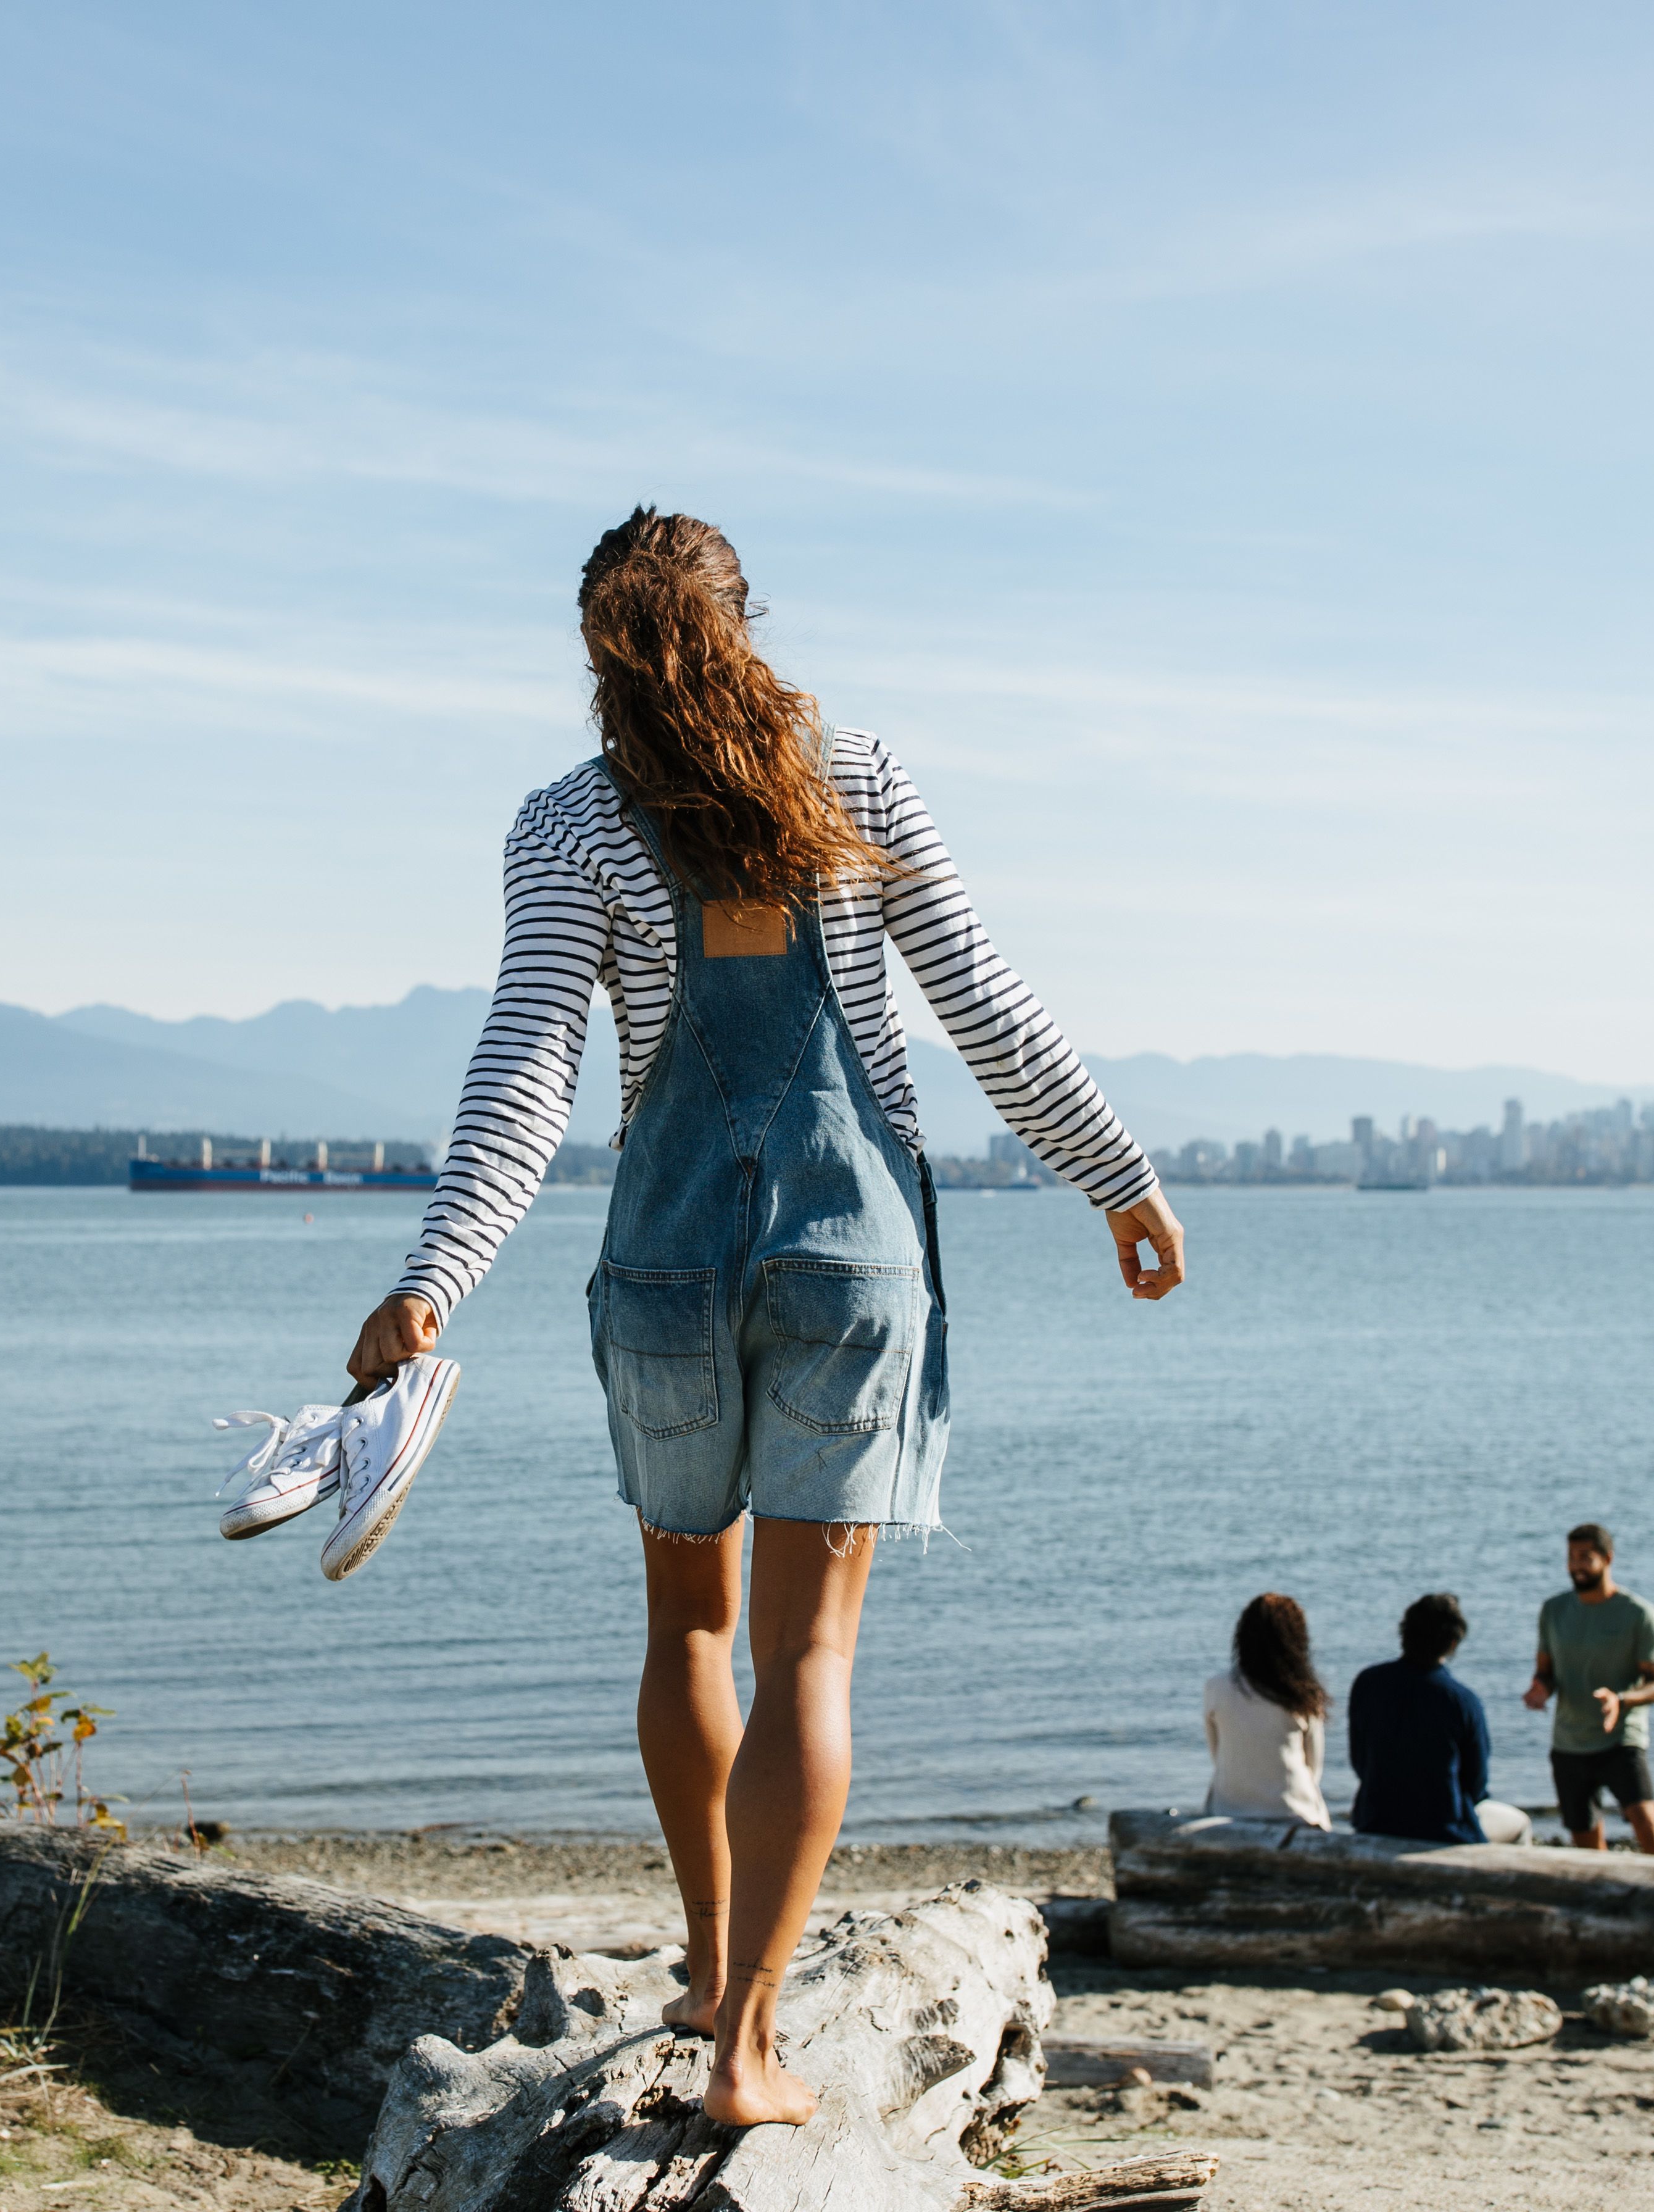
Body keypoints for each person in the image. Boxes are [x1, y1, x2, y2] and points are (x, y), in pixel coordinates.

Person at [339, 509, 1186, 2129]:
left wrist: (431, 1279)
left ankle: (716, 1966)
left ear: (596, 656)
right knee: (809, 1650)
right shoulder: (853, 772)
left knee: (693, 1631)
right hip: (848, 1262)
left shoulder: (566, 822)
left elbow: (526, 1070)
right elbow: (982, 1002)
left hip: (663, 1264)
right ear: (747, 619)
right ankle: (745, 2054)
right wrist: (1116, 1182)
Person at [1524, 1522, 1654, 1854]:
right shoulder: (1554, 1611)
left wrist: (1621, 1699)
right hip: (1569, 1744)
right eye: (1571, 1557)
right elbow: (1546, 1672)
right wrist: (1540, 1690)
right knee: (1586, 1844)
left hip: (1621, 1740)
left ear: (1607, 1559)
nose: (1576, 1566)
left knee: (1648, 1827)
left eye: (1585, 1557)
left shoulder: (1640, 1615)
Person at [1347, 1593, 1532, 1845]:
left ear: (1404, 1633)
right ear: (1453, 1643)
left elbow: (1360, 1761)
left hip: (1376, 1821)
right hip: (1442, 1830)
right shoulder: (1462, 1701)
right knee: (1520, 1824)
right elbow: (1476, 1783)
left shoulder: (1367, 1683)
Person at [1203, 1594, 1329, 1827]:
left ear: (1243, 1637)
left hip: (1228, 1812)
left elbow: (1218, 1754)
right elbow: (1314, 1768)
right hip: (1295, 1813)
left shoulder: (1217, 1686)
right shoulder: (1302, 1694)